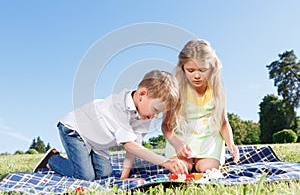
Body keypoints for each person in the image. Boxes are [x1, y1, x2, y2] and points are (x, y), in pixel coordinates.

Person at [34, 70, 188, 181]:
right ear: (142, 95)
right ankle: (52, 160)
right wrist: (165, 162)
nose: (155, 116)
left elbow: (135, 148)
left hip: (98, 142)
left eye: (158, 114)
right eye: (155, 110)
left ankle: (86, 158)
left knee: (104, 177)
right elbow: (129, 145)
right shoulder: (117, 106)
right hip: (75, 130)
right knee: (85, 177)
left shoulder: (144, 114)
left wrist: (124, 178)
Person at [161, 39, 240, 173]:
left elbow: (223, 122)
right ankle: (187, 162)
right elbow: (166, 126)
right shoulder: (176, 90)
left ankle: (201, 161)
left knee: (208, 169)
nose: (196, 75)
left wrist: (230, 143)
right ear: (182, 68)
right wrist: (177, 143)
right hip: (181, 141)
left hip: (208, 140)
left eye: (203, 70)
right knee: (180, 169)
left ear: (212, 68)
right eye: (190, 70)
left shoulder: (216, 90)